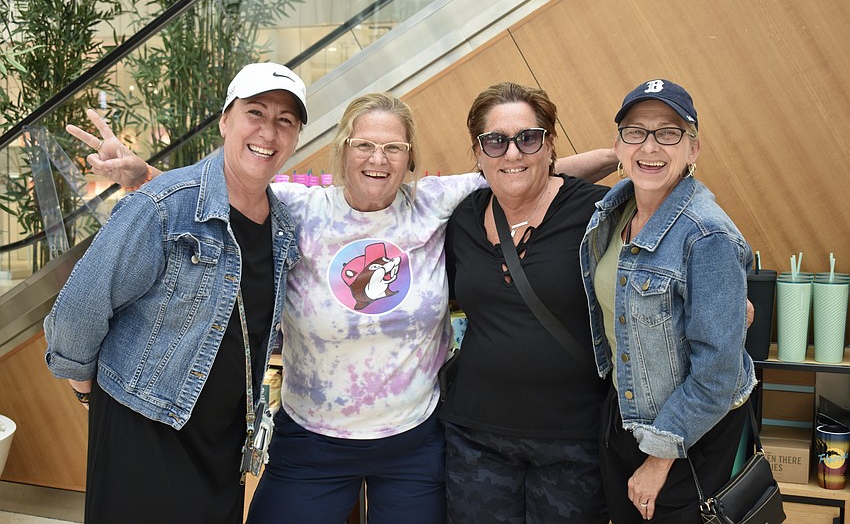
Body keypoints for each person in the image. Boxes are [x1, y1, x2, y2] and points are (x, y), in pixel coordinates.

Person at [82, 83, 617, 522]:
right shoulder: (296, 207)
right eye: (364, 145)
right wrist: (143, 175)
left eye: (393, 148)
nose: (377, 159)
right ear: (342, 150)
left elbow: (523, 172)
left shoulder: (433, 202)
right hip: (312, 440)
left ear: (410, 157)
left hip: (414, 440)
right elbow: (218, 192)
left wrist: (628, 158)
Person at [44, 62, 307, 523]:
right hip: (143, 429)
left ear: (297, 136)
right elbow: (78, 309)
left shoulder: (282, 225)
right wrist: (89, 392)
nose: (269, 132)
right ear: (225, 120)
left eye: (285, 120)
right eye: (255, 112)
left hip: (223, 442)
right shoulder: (162, 206)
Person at [579, 79, 756, 523]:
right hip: (625, 410)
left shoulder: (707, 235)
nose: (650, 146)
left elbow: (717, 374)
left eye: (668, 132)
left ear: (694, 148)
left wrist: (659, 459)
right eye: (636, 132)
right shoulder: (614, 211)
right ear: (618, 147)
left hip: (686, 434)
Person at [440, 82, 610, 523]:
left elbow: (673, 242)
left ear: (550, 144)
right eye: (495, 141)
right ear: (478, 153)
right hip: (476, 438)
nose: (512, 153)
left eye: (528, 138)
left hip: (575, 441)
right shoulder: (461, 218)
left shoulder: (598, 211)